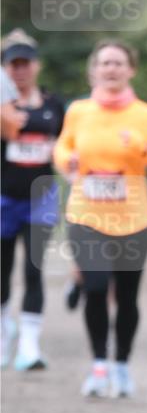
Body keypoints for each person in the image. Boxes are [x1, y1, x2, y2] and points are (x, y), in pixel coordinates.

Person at [53, 40, 147, 397]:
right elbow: (62, 146)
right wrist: (69, 161)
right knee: (95, 288)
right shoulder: (78, 111)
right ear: (93, 69)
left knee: (127, 297)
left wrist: (142, 146)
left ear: (131, 70)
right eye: (105, 63)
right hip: (86, 214)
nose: (111, 69)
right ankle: (98, 366)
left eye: (118, 63)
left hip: (134, 219)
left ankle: (122, 364)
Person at [1, 30, 64, 370]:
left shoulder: (55, 105)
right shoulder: (1, 107)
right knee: (2, 269)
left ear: (36, 67)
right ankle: (2, 332)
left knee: (33, 269)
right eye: (13, 65)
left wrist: (62, 153)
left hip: (40, 198)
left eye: (26, 64)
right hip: (4, 199)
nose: (20, 71)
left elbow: (70, 143)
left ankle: (29, 345)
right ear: (6, 69)